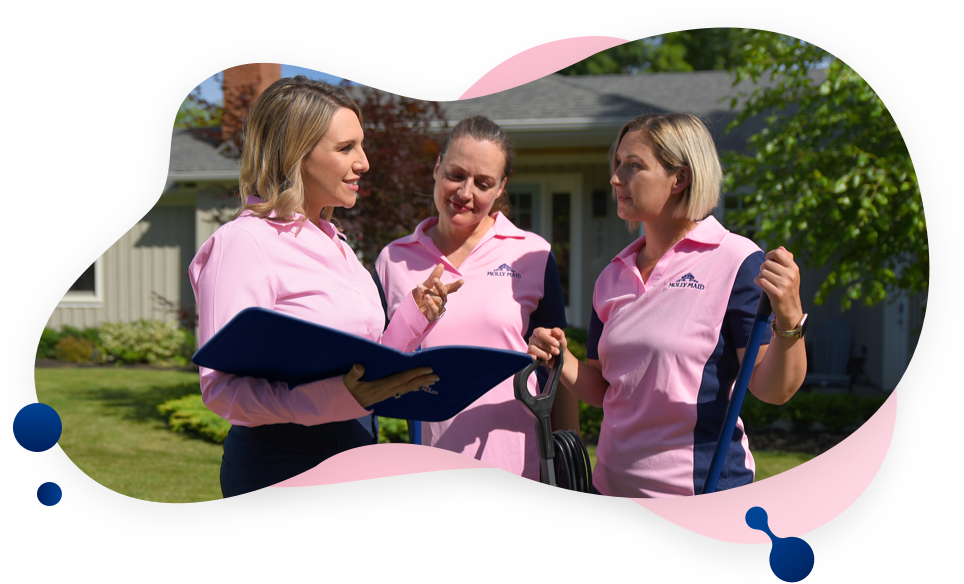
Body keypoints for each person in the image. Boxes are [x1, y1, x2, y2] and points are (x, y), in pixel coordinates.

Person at [188, 76, 464, 498]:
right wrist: (333, 398)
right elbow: (221, 389)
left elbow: (365, 366)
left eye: (362, 145)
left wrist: (414, 315)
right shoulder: (243, 243)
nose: (364, 162)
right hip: (282, 463)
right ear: (296, 153)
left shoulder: (338, 244)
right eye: (345, 148)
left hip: (354, 448)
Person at [527, 113, 808, 497]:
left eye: (634, 166)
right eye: (617, 164)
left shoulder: (736, 261)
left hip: (697, 495)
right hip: (609, 486)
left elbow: (774, 390)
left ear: (680, 178)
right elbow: (606, 390)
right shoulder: (612, 276)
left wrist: (789, 318)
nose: (615, 178)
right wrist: (562, 359)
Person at [374, 115, 580, 482]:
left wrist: (570, 460)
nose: (465, 193)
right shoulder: (393, 260)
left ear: (501, 187)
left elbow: (557, 368)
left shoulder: (532, 255)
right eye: (455, 174)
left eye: (483, 183)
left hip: (521, 463)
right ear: (437, 169)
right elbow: (379, 366)